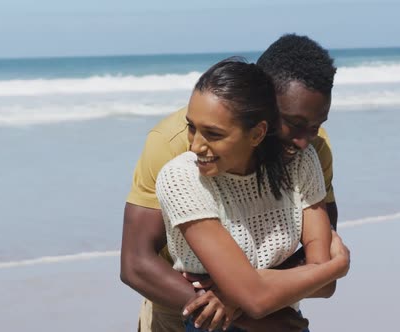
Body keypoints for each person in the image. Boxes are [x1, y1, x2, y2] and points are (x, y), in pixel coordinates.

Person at [121, 34, 343, 331]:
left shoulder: (308, 150)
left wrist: (239, 295)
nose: (304, 140)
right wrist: (245, 310)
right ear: (261, 102)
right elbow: (136, 263)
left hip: (277, 302)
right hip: (181, 302)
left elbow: (319, 255)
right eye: (293, 122)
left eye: (315, 126)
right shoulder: (177, 149)